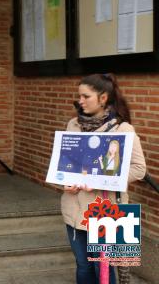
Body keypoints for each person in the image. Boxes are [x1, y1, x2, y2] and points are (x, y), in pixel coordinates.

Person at [62, 73, 146, 284]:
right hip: (73, 210)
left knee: (104, 272)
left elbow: (139, 169)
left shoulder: (122, 129)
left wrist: (101, 179)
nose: (80, 101)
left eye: (86, 96)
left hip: (105, 212)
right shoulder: (73, 125)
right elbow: (64, 166)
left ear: (103, 98)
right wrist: (64, 182)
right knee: (83, 266)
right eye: (79, 96)